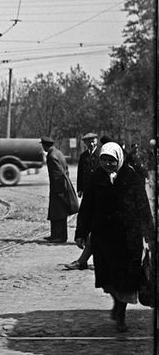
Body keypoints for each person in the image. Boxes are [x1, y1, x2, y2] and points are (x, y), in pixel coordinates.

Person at [74, 142, 155, 332]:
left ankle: (120, 313)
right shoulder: (96, 178)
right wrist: (81, 233)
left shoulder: (132, 177)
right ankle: (117, 305)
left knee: (126, 279)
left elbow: (143, 207)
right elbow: (86, 208)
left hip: (128, 237)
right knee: (109, 278)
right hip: (104, 237)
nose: (107, 164)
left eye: (111, 160)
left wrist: (149, 234)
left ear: (119, 158)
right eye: (104, 160)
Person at [65, 133, 99, 270]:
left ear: (96, 141)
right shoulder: (84, 156)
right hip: (87, 191)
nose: (91, 143)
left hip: (99, 191)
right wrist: (80, 189)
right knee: (86, 215)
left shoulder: (103, 154)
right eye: (88, 142)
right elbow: (80, 173)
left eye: (93, 141)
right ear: (85, 143)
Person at [41, 136, 78, 243]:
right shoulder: (58, 153)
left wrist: (58, 190)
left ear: (45, 145)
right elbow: (66, 170)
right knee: (56, 212)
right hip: (62, 185)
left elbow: (57, 174)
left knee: (58, 212)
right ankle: (55, 235)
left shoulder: (51, 156)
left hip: (58, 187)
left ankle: (60, 237)